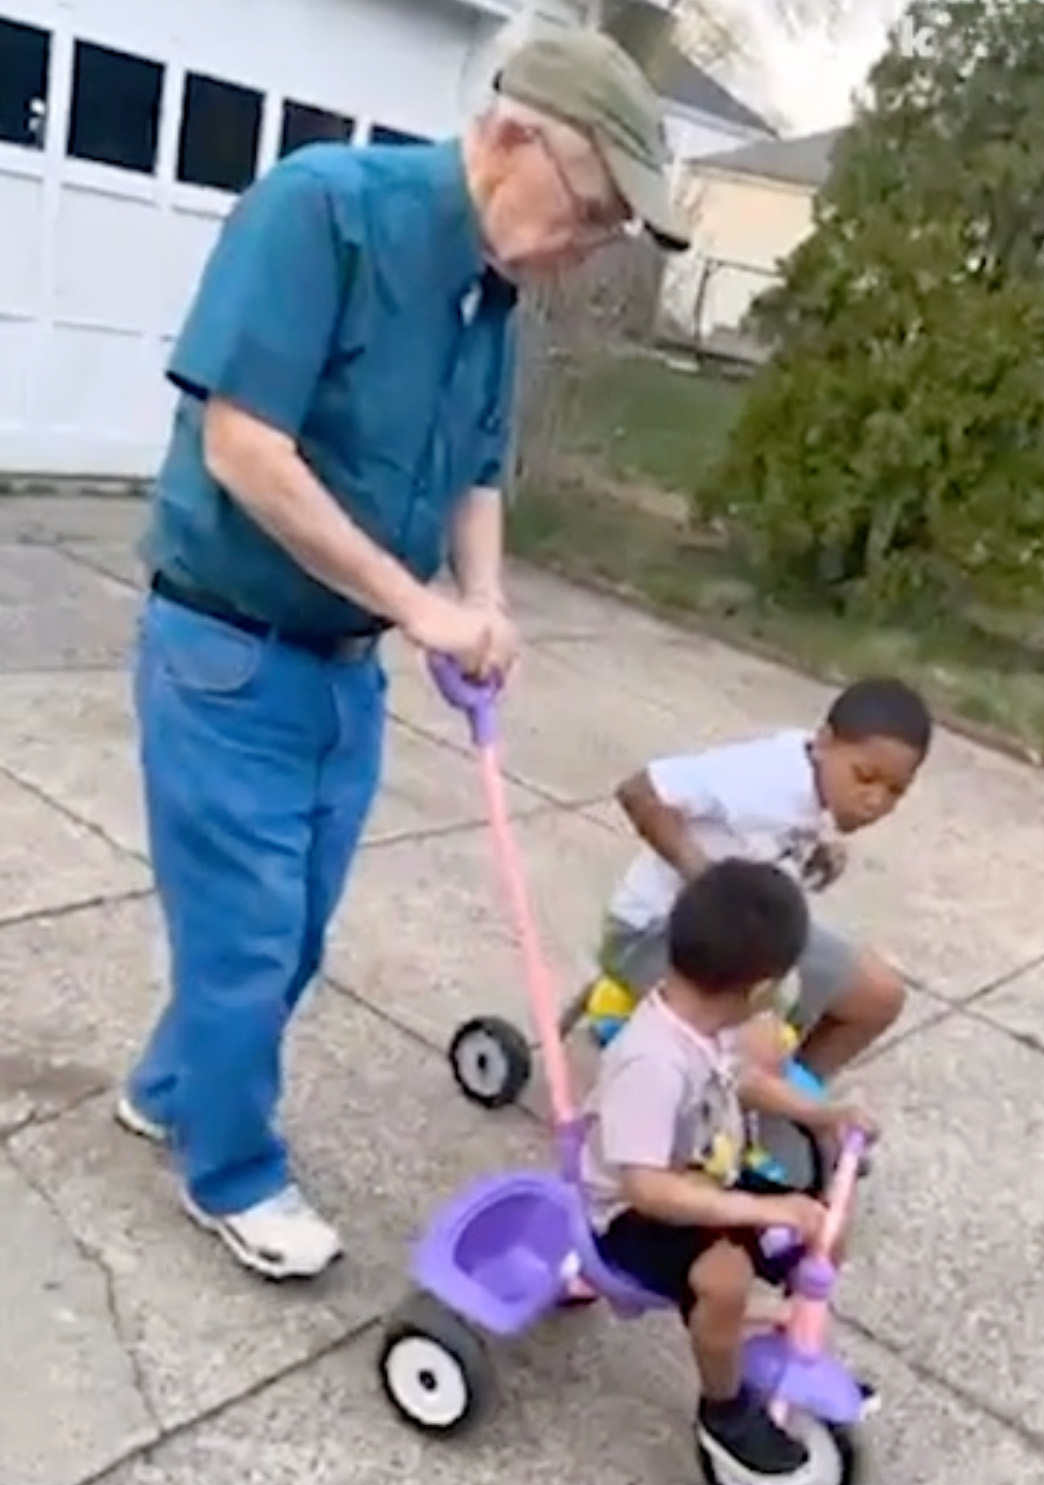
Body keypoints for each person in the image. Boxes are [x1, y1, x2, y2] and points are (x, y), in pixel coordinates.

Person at [115, 28, 690, 1280]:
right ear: (510, 137)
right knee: (250, 939)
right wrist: (418, 607)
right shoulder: (321, 213)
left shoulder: (489, 294)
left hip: (338, 670)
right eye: (590, 210)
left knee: (294, 932)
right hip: (226, 649)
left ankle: (168, 1088)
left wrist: (481, 601)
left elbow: (477, 465)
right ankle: (234, 1172)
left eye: (608, 235)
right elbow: (246, 450)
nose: (586, 248)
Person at [581, 858, 875, 1485]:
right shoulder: (652, 1061)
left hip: (704, 1182)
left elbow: (741, 1080)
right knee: (724, 1279)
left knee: (823, 1228)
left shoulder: (711, 1027)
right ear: (762, 987)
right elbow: (645, 1187)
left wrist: (824, 1113)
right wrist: (763, 1211)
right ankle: (723, 1410)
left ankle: (791, 1348)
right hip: (634, 1213)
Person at [602, 676, 933, 1085]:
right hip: (665, 935)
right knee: (761, 1047)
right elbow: (640, 791)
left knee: (879, 997)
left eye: (895, 791)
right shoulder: (761, 777)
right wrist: (709, 883)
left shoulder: (818, 774)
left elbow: (778, 830)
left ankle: (786, 1106)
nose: (875, 801)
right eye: (865, 777)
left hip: (756, 940)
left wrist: (822, 848)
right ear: (826, 741)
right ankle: (749, 1101)